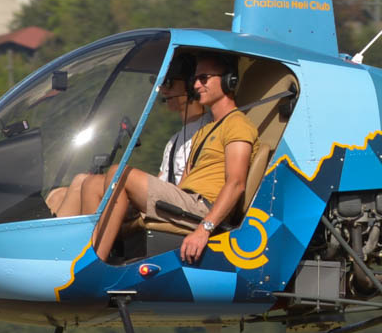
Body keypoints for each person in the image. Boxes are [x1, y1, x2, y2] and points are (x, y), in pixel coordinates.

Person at [92, 52, 258, 264]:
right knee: (95, 184)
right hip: (185, 201)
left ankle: (95, 263)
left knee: (120, 173)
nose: (196, 85)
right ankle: (85, 252)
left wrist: (204, 228)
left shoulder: (237, 124)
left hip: (203, 207)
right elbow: (183, 182)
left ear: (228, 80)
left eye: (204, 78)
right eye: (194, 79)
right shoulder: (205, 131)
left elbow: (236, 183)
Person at [45, 54, 205, 218]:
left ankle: (79, 243)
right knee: (60, 194)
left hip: (175, 208)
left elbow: (185, 189)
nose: (163, 90)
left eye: (168, 83)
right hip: (158, 200)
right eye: (161, 83)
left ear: (191, 86)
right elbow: (161, 181)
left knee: (86, 183)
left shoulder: (205, 132)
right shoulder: (176, 139)